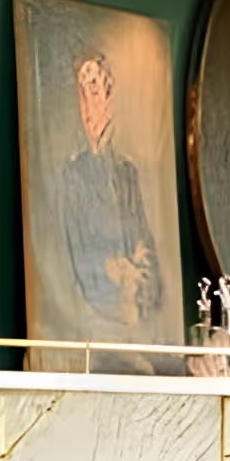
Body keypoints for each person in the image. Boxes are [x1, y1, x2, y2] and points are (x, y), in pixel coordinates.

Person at [61, 49, 162, 334]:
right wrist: (113, 270)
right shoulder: (71, 175)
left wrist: (135, 272)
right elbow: (74, 259)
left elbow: (144, 245)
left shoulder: (127, 173)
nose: (87, 106)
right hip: (91, 320)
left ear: (109, 99)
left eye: (93, 92)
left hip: (134, 316)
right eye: (81, 95)